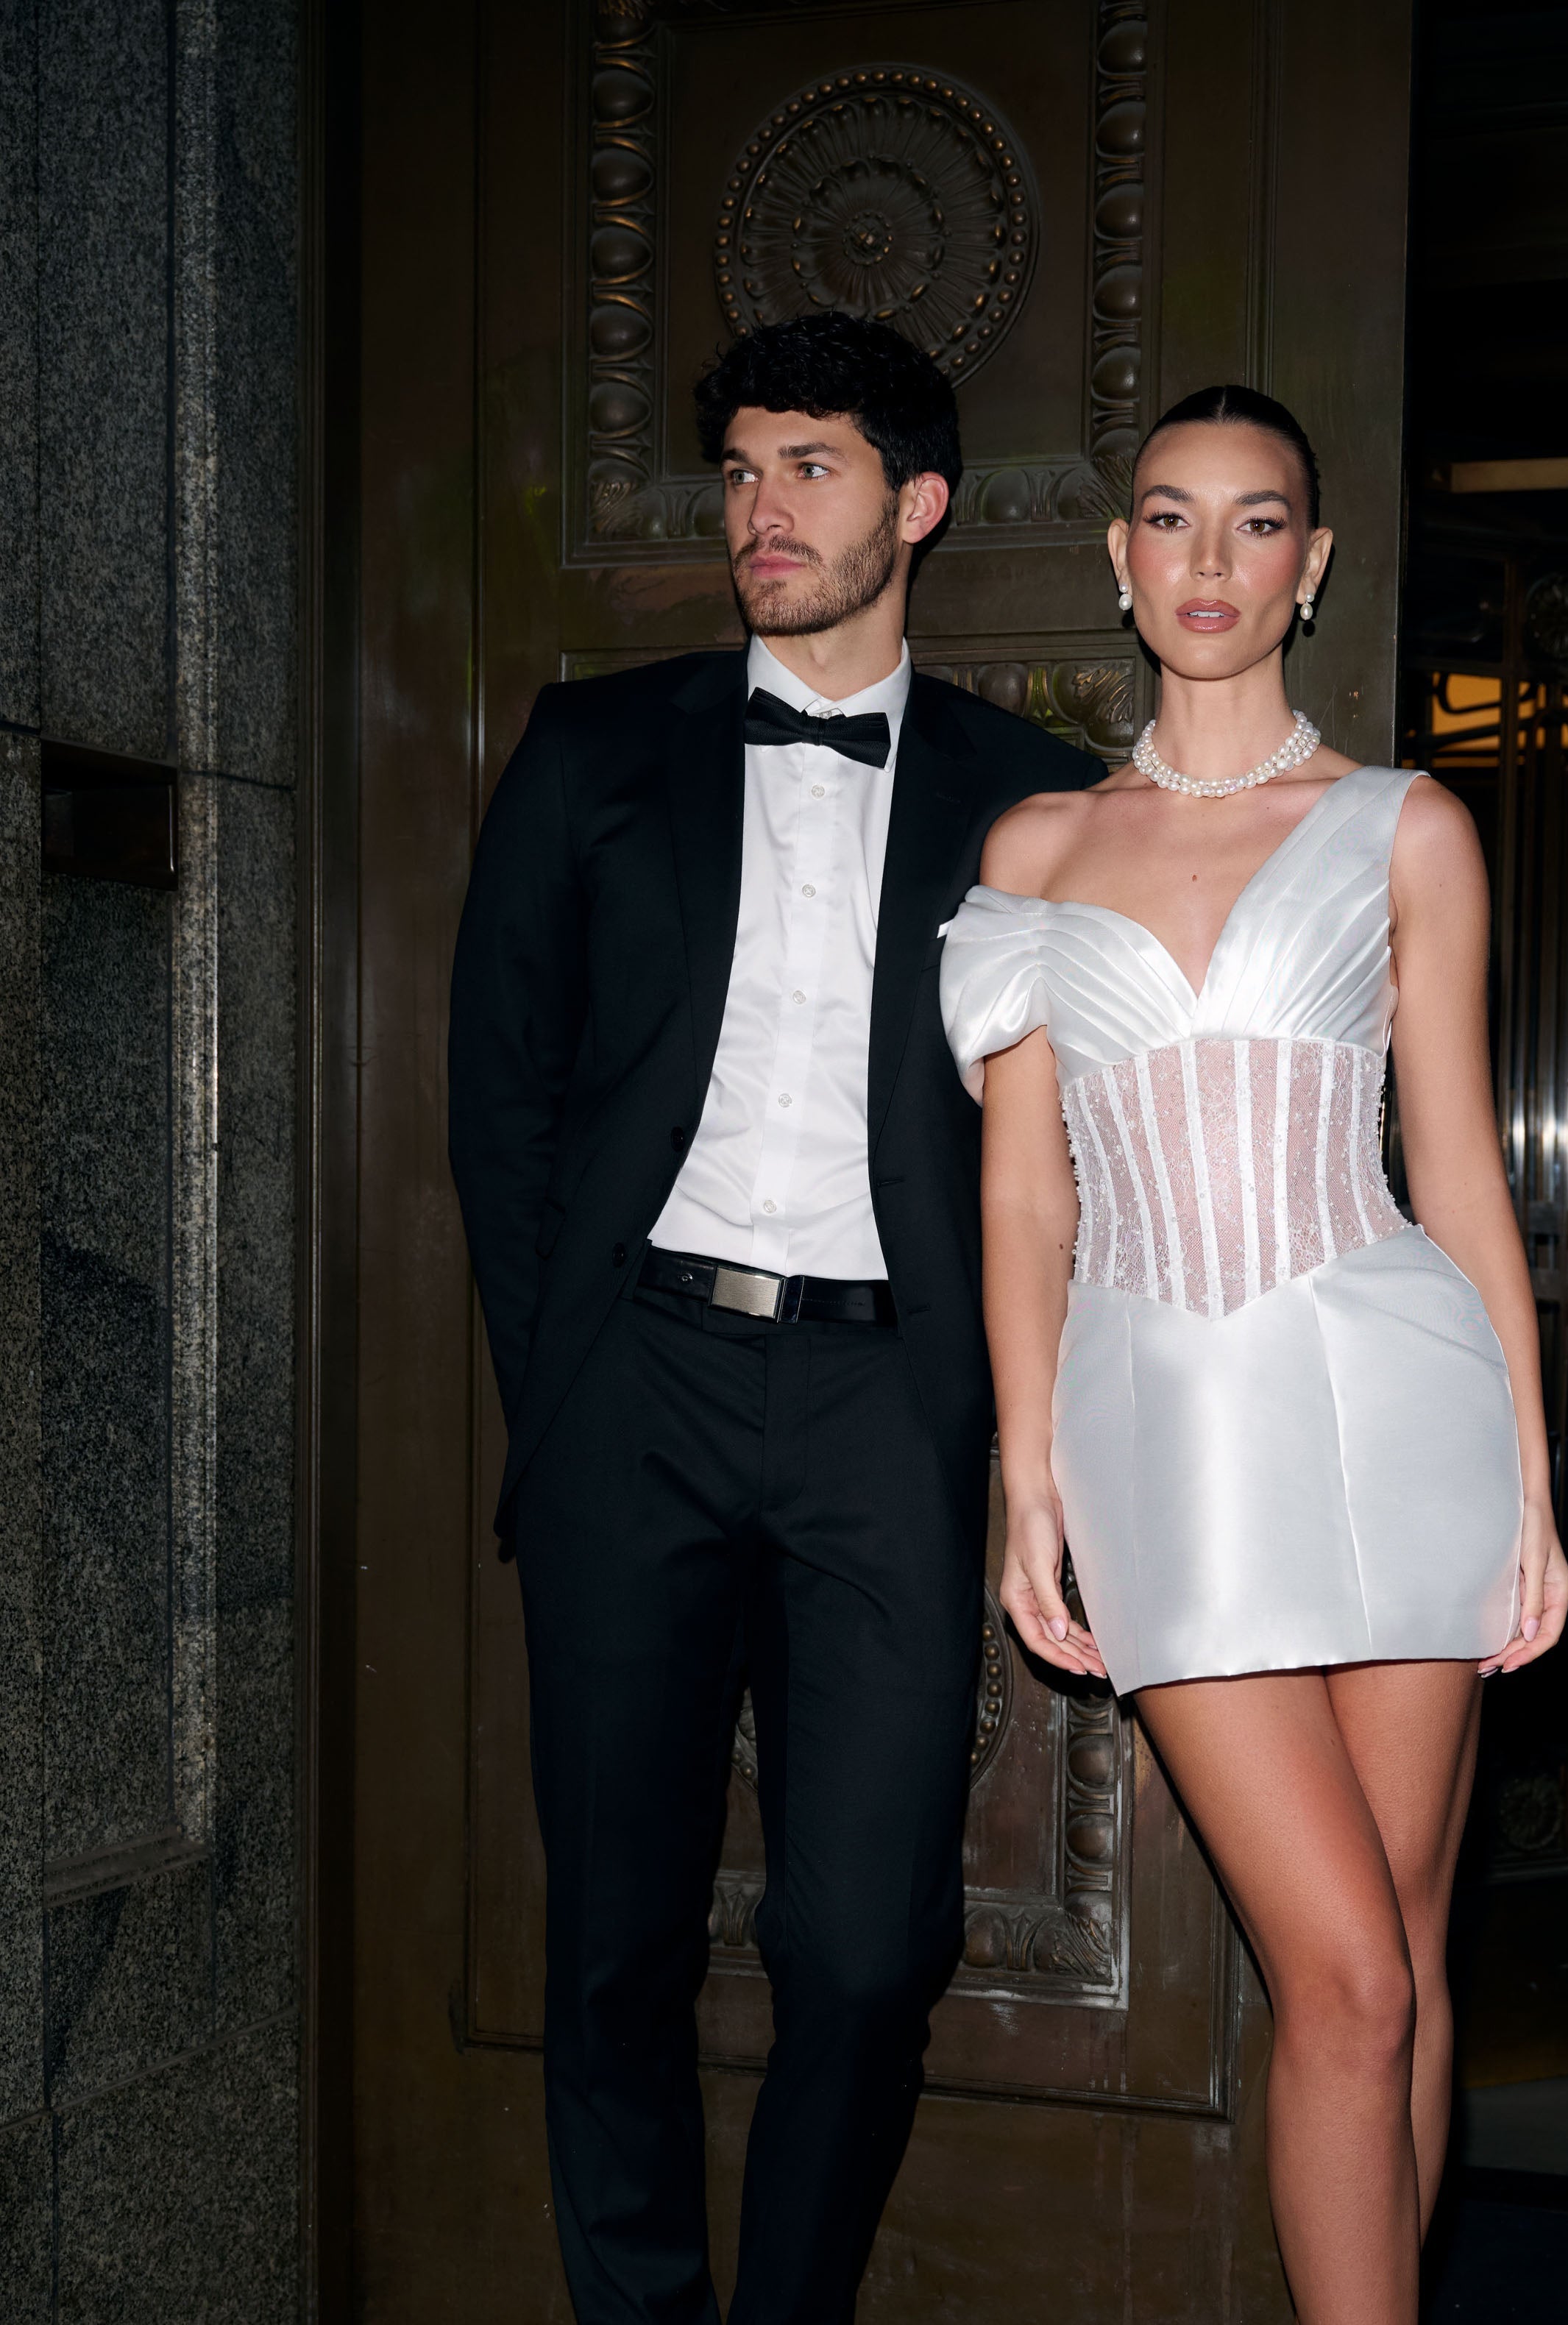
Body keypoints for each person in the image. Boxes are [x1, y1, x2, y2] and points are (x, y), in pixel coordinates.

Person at [448, 313, 1097, 2324]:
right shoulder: (590, 747)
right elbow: (504, 1098)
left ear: (915, 506)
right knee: (618, 1935)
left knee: (856, 1946)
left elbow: (1080, 1147)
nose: (758, 509)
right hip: (630, 1383)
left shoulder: (1034, 798)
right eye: (737, 471)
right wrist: (557, 1396)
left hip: (885, 1407)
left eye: (805, 468)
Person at [939, 384, 1568, 2323]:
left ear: (1308, 568)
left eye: (1255, 522)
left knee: (1400, 1963)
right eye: (1169, 516)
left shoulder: (1406, 826)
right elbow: (1026, 1203)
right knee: (1344, 1975)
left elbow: (1460, 1175)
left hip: (1406, 1409)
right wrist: (1022, 1473)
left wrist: (1533, 1492)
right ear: (1122, 558)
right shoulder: (1037, 844)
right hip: (1167, 1437)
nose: (1209, 558)